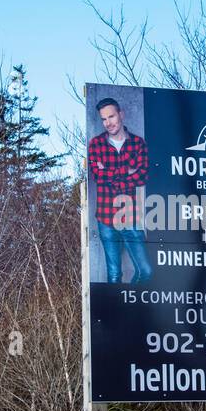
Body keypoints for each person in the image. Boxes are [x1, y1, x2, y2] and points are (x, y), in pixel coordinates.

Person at [87, 97, 153, 283]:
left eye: (111, 116)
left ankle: (131, 308)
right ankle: (116, 311)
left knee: (146, 272)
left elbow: (142, 177)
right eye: (104, 119)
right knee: (114, 275)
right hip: (106, 217)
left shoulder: (138, 144)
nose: (108, 123)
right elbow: (99, 178)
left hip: (131, 215)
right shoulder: (96, 144)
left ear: (121, 115)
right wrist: (126, 171)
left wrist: (109, 173)